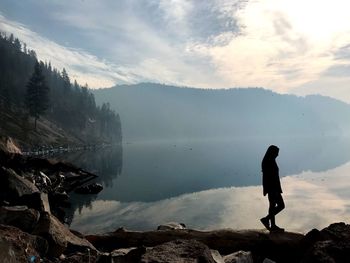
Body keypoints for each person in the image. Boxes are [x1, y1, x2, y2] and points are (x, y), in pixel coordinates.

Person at [260, 145, 285, 232]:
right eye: (276, 153)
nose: (277, 155)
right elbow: (268, 176)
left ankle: (269, 222)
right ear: (272, 152)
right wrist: (269, 189)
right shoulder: (268, 161)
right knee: (278, 205)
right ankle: (270, 223)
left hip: (275, 187)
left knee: (276, 205)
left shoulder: (271, 160)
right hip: (272, 187)